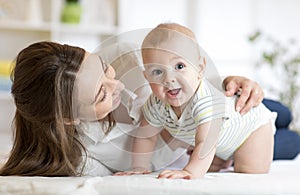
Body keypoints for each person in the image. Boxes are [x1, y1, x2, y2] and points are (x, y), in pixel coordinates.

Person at [0, 41, 265, 176]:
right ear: (69, 118)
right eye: (101, 94)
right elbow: (143, 168)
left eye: (104, 68)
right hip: (219, 144)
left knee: (279, 111)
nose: (116, 85)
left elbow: (183, 69)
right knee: (290, 142)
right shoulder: (82, 157)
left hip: (224, 111)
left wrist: (229, 82)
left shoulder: (124, 55)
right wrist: (193, 159)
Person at [116, 23, 277, 179]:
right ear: (147, 77)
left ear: (200, 68)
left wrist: (190, 172)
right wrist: (139, 167)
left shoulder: (204, 100)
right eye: (157, 71)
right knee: (210, 161)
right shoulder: (156, 103)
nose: (169, 79)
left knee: (250, 170)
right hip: (221, 141)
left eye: (179, 66)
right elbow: (146, 136)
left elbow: (205, 143)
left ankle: (235, 156)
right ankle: (227, 157)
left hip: (250, 128)